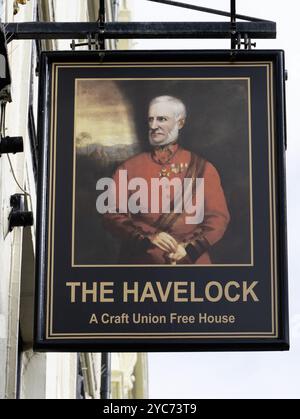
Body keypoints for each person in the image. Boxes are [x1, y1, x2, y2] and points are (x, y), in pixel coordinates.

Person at [103, 95, 230, 265]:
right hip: (140, 267)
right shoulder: (129, 167)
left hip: (191, 266)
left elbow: (217, 220)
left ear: (180, 123)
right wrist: (149, 237)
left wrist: (187, 248)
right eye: (151, 119)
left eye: (162, 119)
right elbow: (111, 214)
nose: (154, 126)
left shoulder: (204, 168)